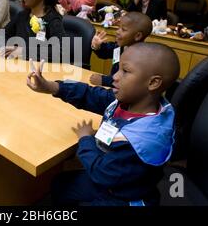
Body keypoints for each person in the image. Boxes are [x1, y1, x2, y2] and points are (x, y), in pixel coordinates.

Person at [26, 42, 180, 206]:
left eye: (125, 71)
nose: (115, 76)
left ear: (153, 83)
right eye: (118, 68)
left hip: (123, 196)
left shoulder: (143, 140)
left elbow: (102, 173)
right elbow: (90, 94)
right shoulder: (130, 101)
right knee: (60, 184)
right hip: (109, 176)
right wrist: (51, 87)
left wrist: (85, 139)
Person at [0, 0, 65, 62]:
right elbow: (2, 34)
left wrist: (22, 51)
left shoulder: (53, 19)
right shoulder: (22, 15)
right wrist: (6, 47)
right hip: (17, 65)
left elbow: (60, 52)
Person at [90, 12, 152, 87]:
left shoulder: (139, 59)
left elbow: (126, 80)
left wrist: (103, 80)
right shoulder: (121, 46)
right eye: (118, 28)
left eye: (123, 29)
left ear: (138, 36)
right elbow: (106, 52)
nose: (117, 32)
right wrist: (97, 46)